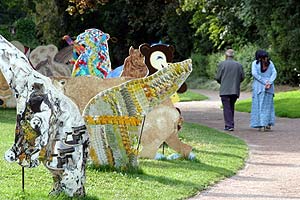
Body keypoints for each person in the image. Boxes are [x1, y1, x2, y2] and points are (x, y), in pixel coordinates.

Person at [215, 49, 245, 131]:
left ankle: (229, 125)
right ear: (233, 56)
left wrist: (222, 82)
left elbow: (217, 77)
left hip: (225, 89)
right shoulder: (239, 65)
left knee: (227, 107)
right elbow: (242, 77)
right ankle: (230, 124)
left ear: (226, 56)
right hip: (235, 89)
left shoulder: (222, 64)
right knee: (231, 106)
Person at [250, 50, 277, 131]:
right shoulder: (256, 63)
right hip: (262, 87)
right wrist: (267, 82)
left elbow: (274, 73)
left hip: (265, 87)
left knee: (265, 105)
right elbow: (254, 74)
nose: (266, 59)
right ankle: (262, 123)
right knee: (262, 105)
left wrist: (269, 82)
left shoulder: (268, 63)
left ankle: (264, 123)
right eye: (264, 57)